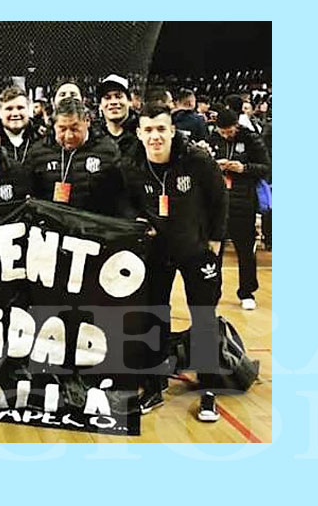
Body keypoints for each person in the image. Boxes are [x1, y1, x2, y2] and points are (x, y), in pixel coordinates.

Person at [122, 103, 228, 414]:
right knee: (154, 315)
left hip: (196, 249)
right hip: (157, 251)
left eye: (161, 129)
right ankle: (154, 386)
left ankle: (209, 389)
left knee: (204, 316)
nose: (155, 136)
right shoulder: (131, 164)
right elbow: (126, 201)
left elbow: (219, 197)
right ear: (139, 133)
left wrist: (216, 240)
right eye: (148, 130)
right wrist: (137, 220)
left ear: (171, 130)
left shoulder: (197, 159)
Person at [208, 109, 271, 310]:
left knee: (245, 250)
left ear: (237, 125)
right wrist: (214, 165)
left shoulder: (251, 139)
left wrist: (244, 168)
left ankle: (247, 291)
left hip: (243, 201)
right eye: (223, 132)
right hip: (217, 202)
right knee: (214, 250)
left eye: (230, 131)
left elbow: (265, 167)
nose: (226, 135)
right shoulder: (212, 139)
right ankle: (212, 291)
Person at [27, 98, 127, 216]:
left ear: (87, 121)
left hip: (94, 222)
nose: (69, 136)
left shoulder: (107, 151)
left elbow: (121, 196)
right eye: (62, 129)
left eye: (74, 129)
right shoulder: (38, 152)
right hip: (52, 222)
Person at [96, 74, 141, 159]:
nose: (113, 102)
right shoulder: (93, 137)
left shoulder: (142, 132)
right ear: (100, 105)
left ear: (129, 102)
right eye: (107, 98)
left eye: (118, 96)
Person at [0, 87, 45, 165]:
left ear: (28, 109)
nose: (15, 114)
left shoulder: (43, 136)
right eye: (9, 109)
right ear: (0, 112)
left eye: (20, 108)